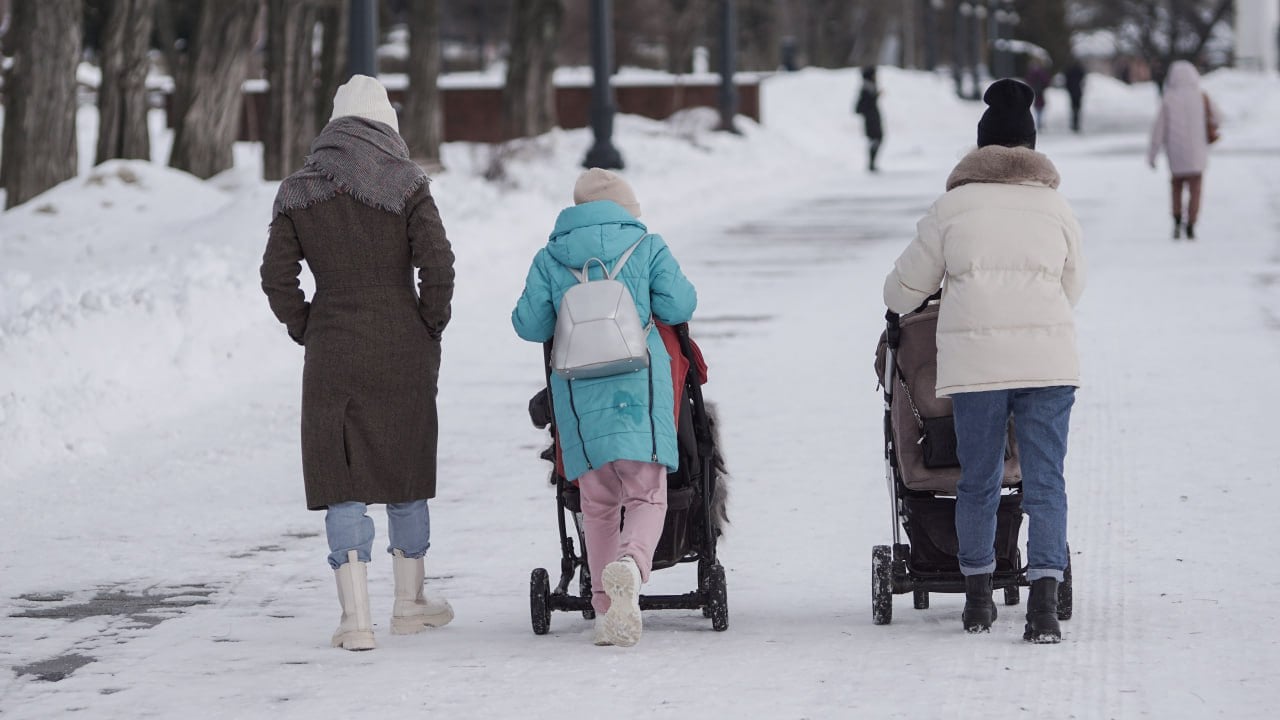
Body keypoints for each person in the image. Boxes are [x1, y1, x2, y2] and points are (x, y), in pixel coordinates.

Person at [883, 79, 1085, 643]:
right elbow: (1075, 284)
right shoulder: (1055, 205)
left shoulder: (953, 206)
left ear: (981, 149)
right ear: (1031, 147)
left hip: (977, 368)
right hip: (1049, 363)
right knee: (1046, 481)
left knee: (979, 479)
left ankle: (978, 600)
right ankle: (1043, 606)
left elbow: (904, 289)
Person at [260, 75, 456, 651]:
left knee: (338, 473)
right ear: (386, 125)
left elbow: (277, 277)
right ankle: (410, 603)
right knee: (406, 464)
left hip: (333, 349)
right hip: (401, 341)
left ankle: (355, 618)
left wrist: (307, 325)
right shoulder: (407, 182)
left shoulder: (297, 190)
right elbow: (438, 262)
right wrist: (429, 322)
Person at [512, 169, 697, 647]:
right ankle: (631, 568)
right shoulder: (647, 246)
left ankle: (604, 607)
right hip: (641, 389)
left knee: (596, 502)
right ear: (627, 210)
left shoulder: (550, 256)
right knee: (646, 493)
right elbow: (680, 304)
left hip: (579, 391)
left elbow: (529, 324)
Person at [1146, 59, 1218, 240]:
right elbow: (1217, 118)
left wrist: (1153, 153)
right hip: (1197, 154)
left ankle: (1177, 220)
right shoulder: (1201, 96)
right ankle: (1192, 223)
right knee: (1196, 190)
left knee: (1176, 188)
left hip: (1176, 154)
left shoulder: (1169, 98)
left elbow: (1158, 128)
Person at [854, 66, 884, 172]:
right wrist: (874, 97)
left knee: (877, 139)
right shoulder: (866, 89)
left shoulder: (870, 87)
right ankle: (871, 165)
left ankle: (872, 164)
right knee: (876, 139)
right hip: (871, 120)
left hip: (873, 119)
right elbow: (859, 107)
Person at [1025, 59, 1051, 129]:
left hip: (1035, 90)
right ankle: (1039, 121)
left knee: (1038, 105)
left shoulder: (1032, 72)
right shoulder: (1041, 72)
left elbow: (1028, 80)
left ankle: (1038, 120)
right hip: (1040, 91)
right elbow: (1046, 80)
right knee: (1040, 105)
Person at [1064, 59, 1086, 133]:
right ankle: (1076, 124)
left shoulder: (1069, 70)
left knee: (1073, 108)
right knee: (1077, 109)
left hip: (1072, 91)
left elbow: (1066, 79)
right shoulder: (1079, 70)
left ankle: (1074, 123)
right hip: (1077, 91)